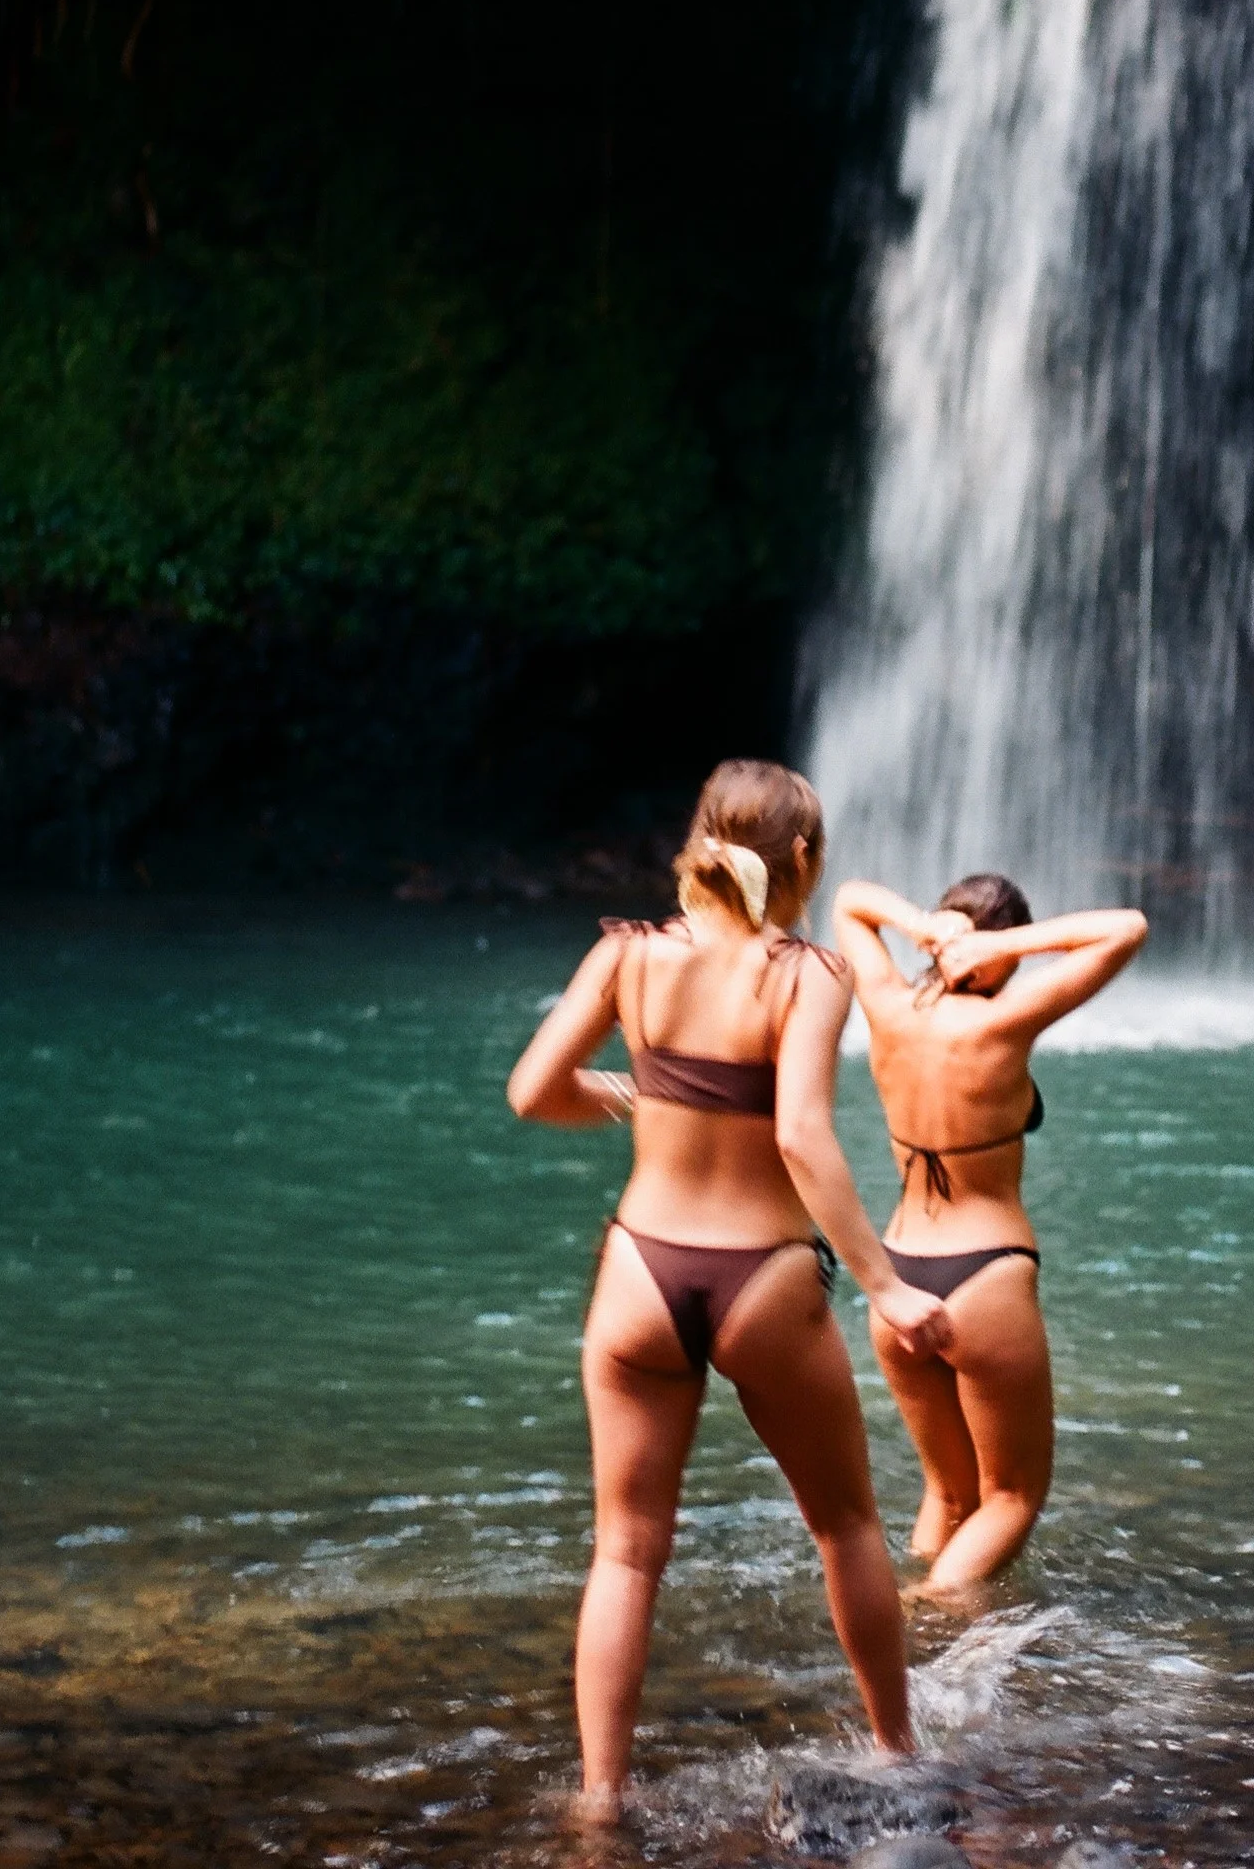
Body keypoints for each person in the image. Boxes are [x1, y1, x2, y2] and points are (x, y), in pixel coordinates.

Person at [506, 760, 954, 1820]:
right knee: (845, 1526)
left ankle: (601, 1797)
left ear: (700, 837)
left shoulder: (626, 954)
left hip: (638, 1270)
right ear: (803, 860)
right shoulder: (806, 974)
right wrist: (887, 1286)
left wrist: (630, 1093)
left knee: (623, 1549)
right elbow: (799, 1132)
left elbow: (532, 1091)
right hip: (760, 1276)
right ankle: (896, 1750)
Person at [832, 874, 1147, 1591]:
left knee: (949, 1495)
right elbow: (1126, 926)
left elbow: (849, 898)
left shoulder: (885, 1005)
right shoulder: (1006, 1019)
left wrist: (924, 928)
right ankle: (928, 1608)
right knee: (1010, 1498)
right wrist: (1004, 944)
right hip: (985, 1277)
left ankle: (915, 1644)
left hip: (897, 1278)